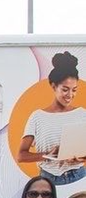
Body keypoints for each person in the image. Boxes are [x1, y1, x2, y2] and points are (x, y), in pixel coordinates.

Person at [19, 52, 86, 185]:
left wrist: (80, 157)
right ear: (54, 86)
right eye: (65, 89)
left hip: (79, 176)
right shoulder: (37, 116)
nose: (70, 95)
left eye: (74, 90)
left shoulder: (82, 114)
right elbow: (21, 155)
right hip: (48, 179)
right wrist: (47, 155)